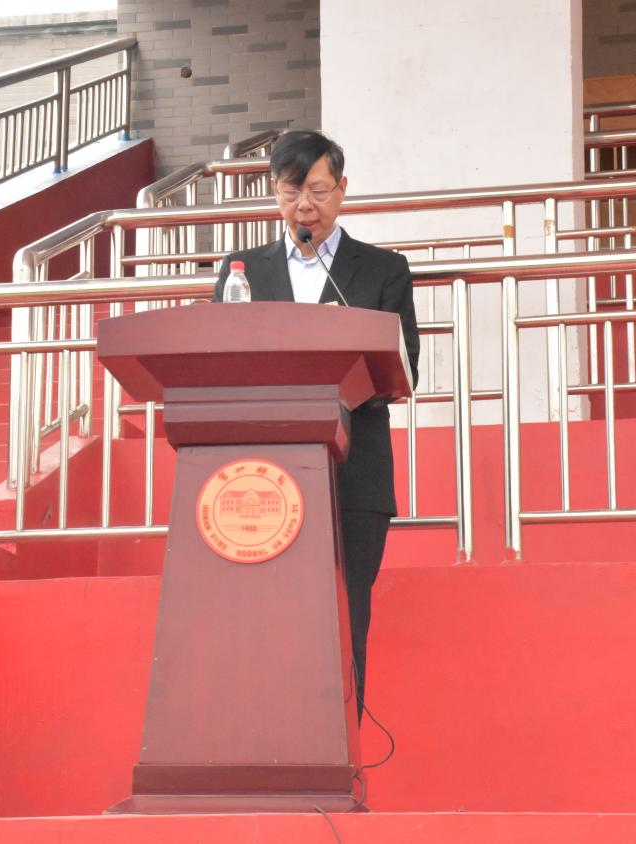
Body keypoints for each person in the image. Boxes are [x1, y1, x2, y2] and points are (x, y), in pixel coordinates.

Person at [213, 130, 421, 720]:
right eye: (291, 192)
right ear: (274, 192)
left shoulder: (383, 270)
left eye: (319, 191)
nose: (305, 206)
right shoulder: (241, 271)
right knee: (266, 618)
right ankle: (267, 736)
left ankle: (343, 740)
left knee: (346, 611)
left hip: (355, 473)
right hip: (262, 474)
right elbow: (219, 359)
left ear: (342, 189)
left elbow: (405, 367)